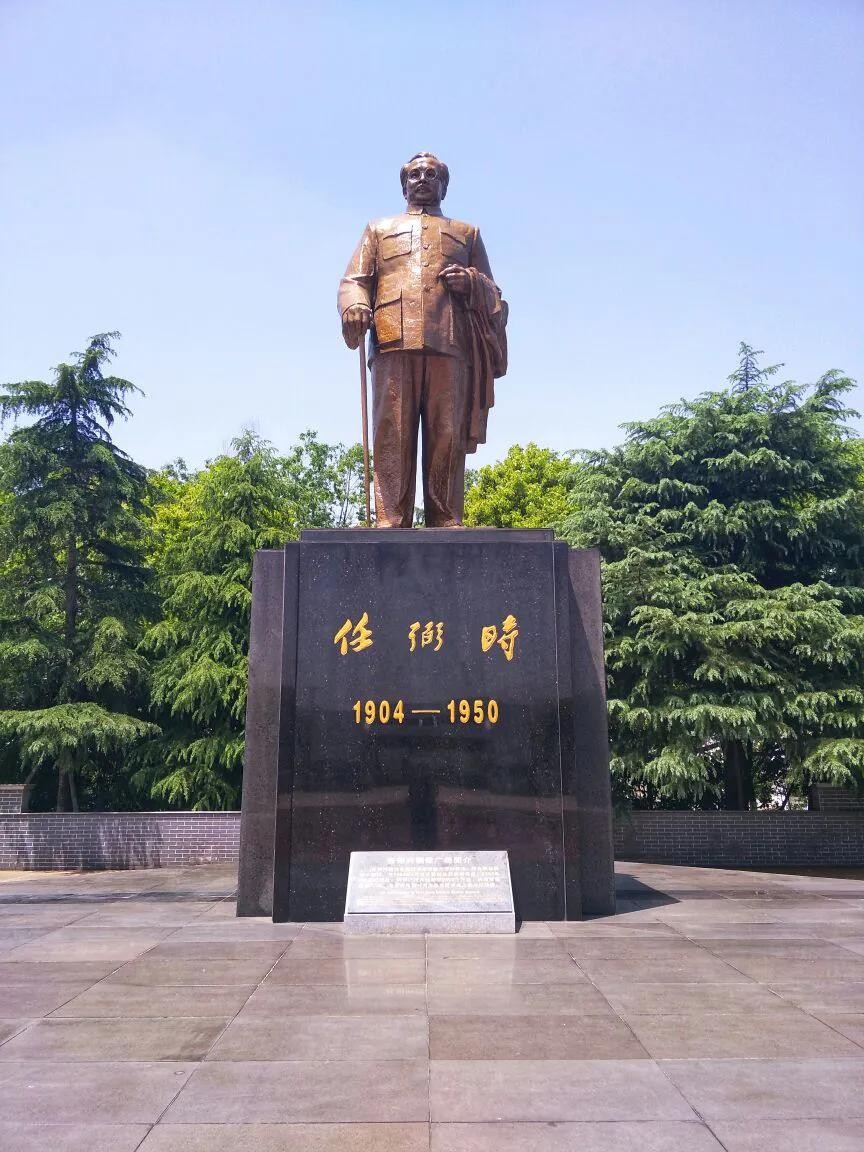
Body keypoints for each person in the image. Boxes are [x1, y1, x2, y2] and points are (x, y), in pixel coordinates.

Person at [338, 152, 507, 528]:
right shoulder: (378, 229)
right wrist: (355, 305)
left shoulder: (467, 233)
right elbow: (354, 281)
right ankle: (391, 517)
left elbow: (494, 293)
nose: (423, 179)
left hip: (450, 342)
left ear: (444, 186)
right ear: (404, 186)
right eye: (415, 175)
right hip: (392, 340)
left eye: (432, 174)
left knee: (446, 431)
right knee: (391, 431)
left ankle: (444, 516)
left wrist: (471, 283)